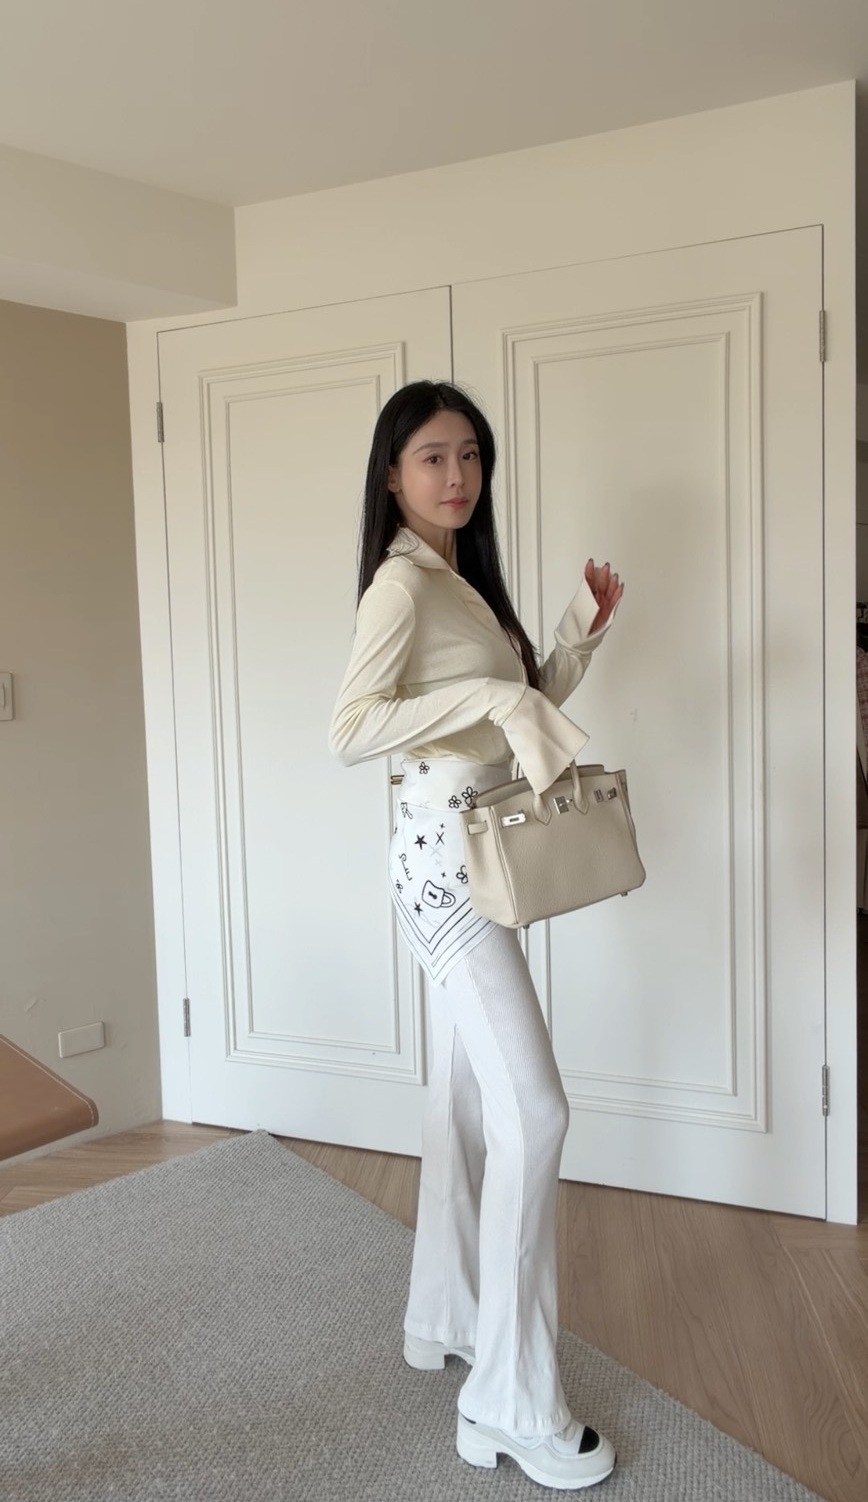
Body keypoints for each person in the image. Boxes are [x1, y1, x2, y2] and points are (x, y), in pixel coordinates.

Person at [328, 380, 623, 1491]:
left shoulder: (460, 582)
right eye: (432, 457)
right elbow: (352, 727)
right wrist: (494, 706)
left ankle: (441, 1315)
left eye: (470, 456)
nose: (457, 476)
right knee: (535, 1110)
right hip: (445, 870)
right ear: (392, 474)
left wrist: (573, 636)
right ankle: (509, 1404)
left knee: (460, 1092)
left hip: (483, 856)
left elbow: (516, 700)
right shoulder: (399, 585)